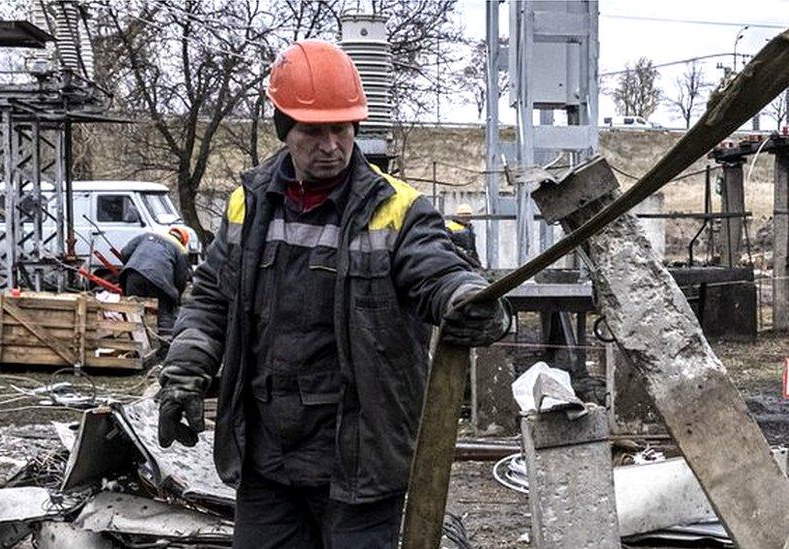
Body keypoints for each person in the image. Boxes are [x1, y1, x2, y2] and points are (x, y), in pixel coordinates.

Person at [155, 39, 510, 548]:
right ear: (284, 128)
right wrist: (185, 375)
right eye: (313, 131)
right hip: (267, 459)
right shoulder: (247, 205)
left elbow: (438, 272)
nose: (330, 146)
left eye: (340, 129)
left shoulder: (398, 210)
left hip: (359, 465)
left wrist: (469, 299)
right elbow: (212, 300)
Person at [118, 227, 192, 350]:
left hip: (133, 275)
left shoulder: (147, 236)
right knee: (164, 313)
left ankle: (132, 348)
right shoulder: (180, 249)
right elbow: (180, 278)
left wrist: (133, 265)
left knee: (133, 311)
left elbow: (125, 252)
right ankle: (166, 349)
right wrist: (176, 297)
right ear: (183, 240)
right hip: (160, 282)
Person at [445, 203, 481, 267]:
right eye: (465, 214)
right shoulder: (450, 227)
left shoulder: (469, 228)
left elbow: (473, 248)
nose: (467, 217)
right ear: (459, 215)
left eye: (469, 215)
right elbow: (447, 246)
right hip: (457, 260)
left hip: (468, 260)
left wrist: (477, 262)